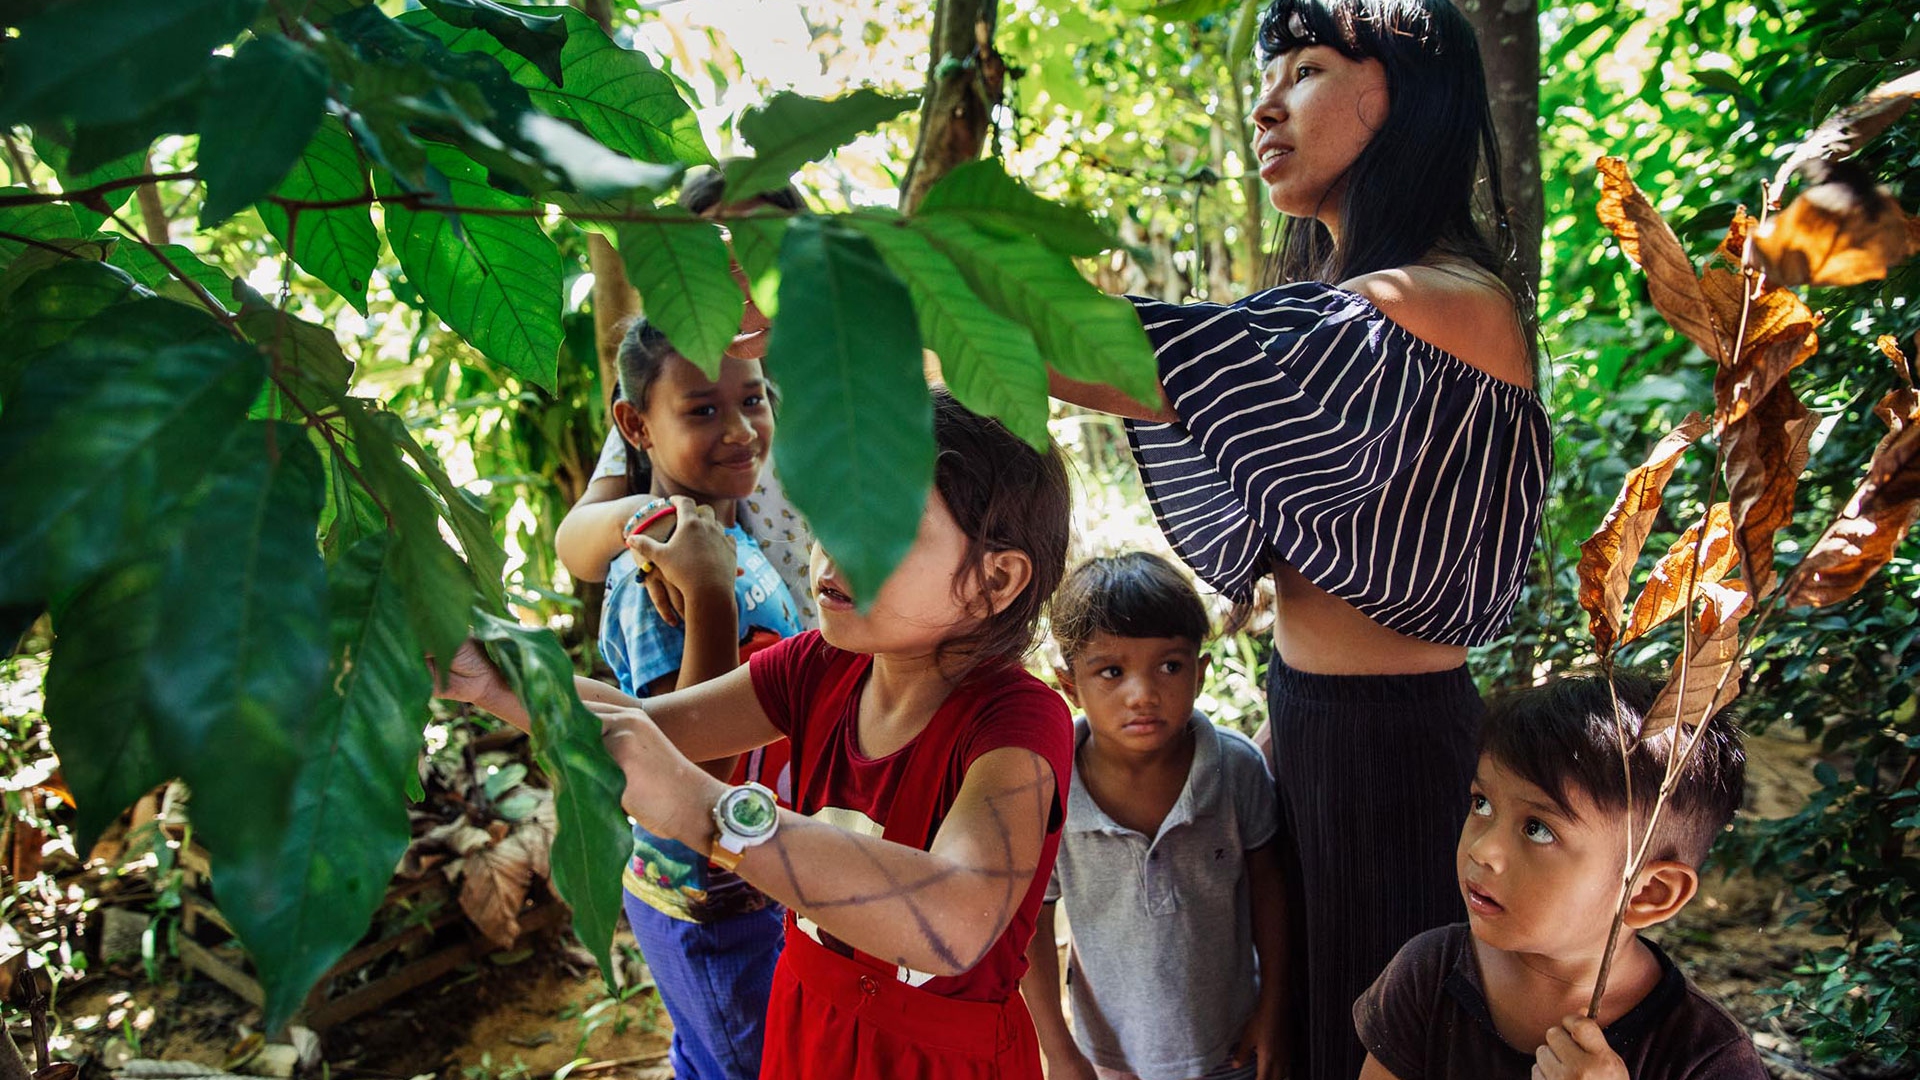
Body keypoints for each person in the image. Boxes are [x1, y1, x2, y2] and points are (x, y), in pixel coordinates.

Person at [1046, 2, 1552, 1076]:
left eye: (1308, 70)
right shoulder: (1358, 307)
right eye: (1269, 73)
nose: (1267, 104)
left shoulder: (1434, 303)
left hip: (1393, 757)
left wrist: (877, 293)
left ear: (1403, 97)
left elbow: (1136, 353)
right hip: (1320, 728)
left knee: (1385, 1046)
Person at [437, 391, 1075, 1080]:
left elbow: (956, 920)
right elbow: (647, 727)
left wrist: (707, 811)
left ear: (995, 579)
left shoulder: (1019, 723)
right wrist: (492, 677)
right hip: (806, 1029)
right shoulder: (818, 668)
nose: (830, 548)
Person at [1353, 673, 1765, 1079]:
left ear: (1648, 893)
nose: (1482, 850)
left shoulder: (1706, 1057)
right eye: (1482, 804)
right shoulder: (1430, 973)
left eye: (1538, 829)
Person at [596, 315, 802, 1080]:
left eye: (752, 400)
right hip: (706, 901)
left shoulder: (729, 537)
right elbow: (687, 767)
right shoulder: (653, 578)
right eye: (704, 410)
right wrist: (710, 595)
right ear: (635, 425)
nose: (741, 429)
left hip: (750, 875)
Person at [1022, 552, 1285, 1080]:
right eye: (1112, 672)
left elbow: (1271, 895)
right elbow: (1030, 926)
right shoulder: (1048, 792)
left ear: (1200, 673)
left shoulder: (1235, 770)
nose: (1143, 694)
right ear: (1070, 686)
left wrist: (1273, 1012)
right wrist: (1059, 1051)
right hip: (1113, 1058)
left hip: (1232, 1045)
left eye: (1169, 667)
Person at [555, 169, 816, 624]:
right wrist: (650, 519)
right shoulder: (678, 389)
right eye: (719, 244)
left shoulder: (845, 371)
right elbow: (575, 542)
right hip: (744, 649)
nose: (743, 265)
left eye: (764, 240)